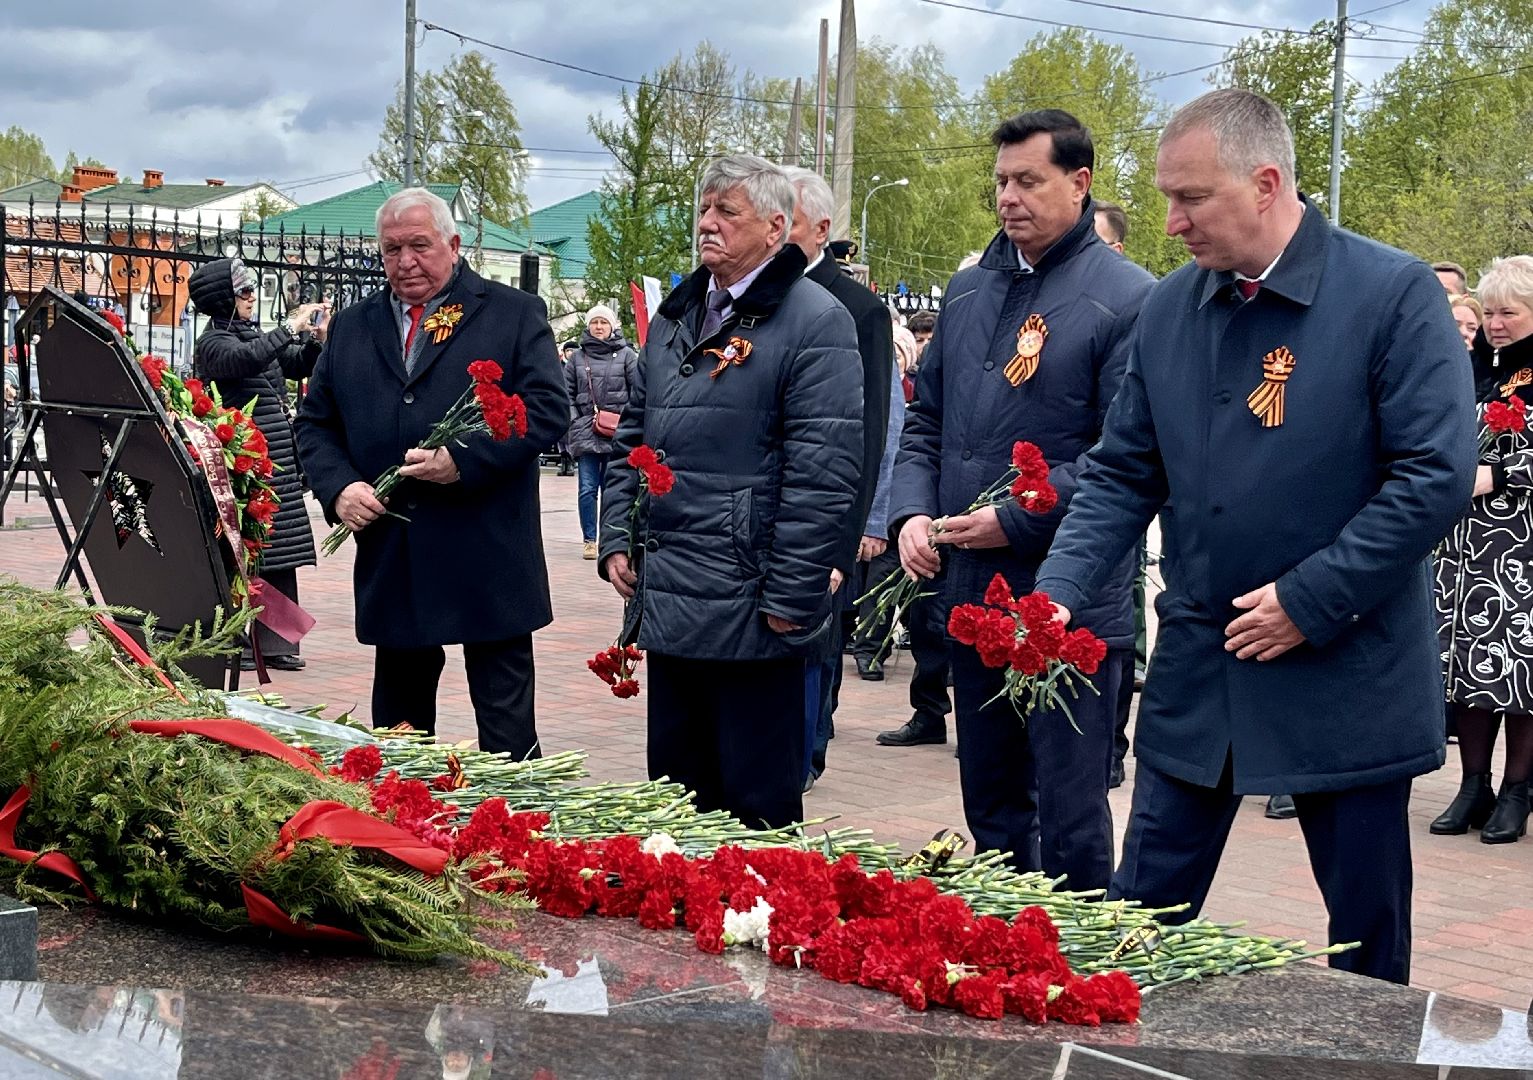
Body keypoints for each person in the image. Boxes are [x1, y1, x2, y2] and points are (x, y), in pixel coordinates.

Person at [1033, 89, 1475, 983]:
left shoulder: (1389, 296)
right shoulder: (1168, 311)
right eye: (1164, 196)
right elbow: (1122, 471)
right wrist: (1056, 593)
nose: (1169, 221)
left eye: (1190, 198)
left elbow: (1430, 476)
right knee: (1138, 921)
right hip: (1203, 666)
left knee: (1361, 939)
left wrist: (1307, 601)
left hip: (1341, 672)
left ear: (1265, 182)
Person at [889, 109, 1155, 889]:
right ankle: (1004, 940)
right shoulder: (970, 289)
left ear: (1078, 183)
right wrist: (909, 512)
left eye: (1027, 181)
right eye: (1000, 181)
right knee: (993, 799)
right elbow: (926, 421)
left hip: (1065, 600)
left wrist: (1011, 518)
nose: (1008, 198)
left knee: (1070, 809)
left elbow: (1125, 458)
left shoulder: (1128, 298)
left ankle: (1077, 957)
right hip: (968, 589)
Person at [599, 154, 862, 830]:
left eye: (727, 212)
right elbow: (634, 435)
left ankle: (758, 924)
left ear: (776, 228)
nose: (707, 224)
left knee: (755, 804)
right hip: (674, 588)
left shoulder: (814, 320)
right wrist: (617, 539)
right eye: (704, 210)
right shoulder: (679, 314)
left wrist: (792, 596)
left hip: (751, 598)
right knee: (676, 798)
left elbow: (822, 470)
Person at [295, 187, 568, 757]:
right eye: (392, 249)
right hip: (397, 553)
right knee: (398, 734)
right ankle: (400, 835)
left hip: (486, 551)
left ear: (453, 244)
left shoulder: (512, 313)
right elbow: (315, 425)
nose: (405, 261)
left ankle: (519, 837)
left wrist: (462, 459)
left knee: (507, 731)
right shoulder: (352, 326)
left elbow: (546, 410)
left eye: (419, 245)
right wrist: (339, 487)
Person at [782, 166, 894, 790]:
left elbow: (871, 428)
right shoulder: (755, 299)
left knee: (817, 643)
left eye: (787, 222)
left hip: (829, 517)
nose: (775, 234)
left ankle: (807, 751)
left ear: (821, 229)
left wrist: (856, 529)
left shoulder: (859, 309)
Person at [1433, 255, 1533, 843]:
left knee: (1519, 671)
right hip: (1465, 541)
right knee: (1468, 666)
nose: (1495, 323)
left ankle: (1518, 788)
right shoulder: (1469, 367)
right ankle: (1474, 784)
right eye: (1489, 311)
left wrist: (1502, 474)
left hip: (1521, 542)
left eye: (1509, 313)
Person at [188, 257, 327, 672]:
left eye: (251, 290)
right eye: (244, 291)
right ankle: (241, 641)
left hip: (273, 461)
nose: (251, 298)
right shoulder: (213, 342)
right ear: (223, 299)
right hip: (245, 464)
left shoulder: (250, 335)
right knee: (246, 552)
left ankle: (279, 642)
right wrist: (289, 328)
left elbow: (296, 364)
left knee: (279, 552)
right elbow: (246, 359)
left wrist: (317, 340)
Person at [565, 304, 638, 560]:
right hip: (586, 431)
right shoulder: (576, 358)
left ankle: (611, 538)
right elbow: (567, 394)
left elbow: (638, 393)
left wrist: (628, 424)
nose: (598, 327)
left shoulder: (628, 355)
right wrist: (576, 421)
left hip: (618, 433)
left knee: (613, 488)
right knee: (587, 488)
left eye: (603, 322)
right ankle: (589, 539)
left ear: (612, 326)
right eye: (594, 322)